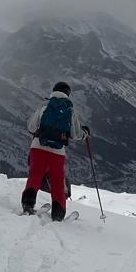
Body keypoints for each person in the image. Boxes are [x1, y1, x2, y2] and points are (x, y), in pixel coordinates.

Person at [22, 81, 89, 221]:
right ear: (68, 94)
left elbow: (31, 127)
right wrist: (85, 133)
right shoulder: (70, 110)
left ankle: (28, 205)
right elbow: (76, 134)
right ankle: (58, 214)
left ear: (53, 91)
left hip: (38, 147)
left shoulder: (45, 105)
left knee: (35, 176)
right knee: (58, 182)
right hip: (57, 152)